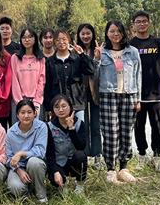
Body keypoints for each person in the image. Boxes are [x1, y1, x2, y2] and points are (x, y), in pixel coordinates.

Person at [95, 20, 142, 184]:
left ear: (123, 33)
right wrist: (96, 59)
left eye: (118, 31)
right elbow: (94, 75)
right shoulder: (102, 52)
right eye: (112, 31)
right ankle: (110, 169)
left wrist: (138, 99)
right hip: (108, 96)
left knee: (126, 132)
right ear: (107, 33)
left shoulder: (132, 52)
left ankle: (123, 168)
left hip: (129, 95)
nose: (115, 34)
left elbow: (138, 75)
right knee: (110, 133)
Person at [130, 11, 160, 172]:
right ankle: (142, 155)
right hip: (137, 94)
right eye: (138, 21)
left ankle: (157, 156)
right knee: (139, 127)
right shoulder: (130, 45)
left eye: (144, 21)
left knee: (157, 126)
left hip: (155, 93)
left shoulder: (158, 43)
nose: (142, 24)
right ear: (134, 24)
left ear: (149, 23)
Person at [44, 29, 96, 125]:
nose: (61, 42)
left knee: (79, 131)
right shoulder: (50, 62)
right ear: (54, 42)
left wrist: (82, 54)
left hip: (76, 104)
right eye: (58, 40)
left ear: (69, 40)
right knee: (59, 133)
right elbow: (48, 86)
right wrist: (48, 107)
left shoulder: (77, 59)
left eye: (64, 39)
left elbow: (91, 70)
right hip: (58, 106)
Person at [5, 99, 48, 202]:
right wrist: (18, 170)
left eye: (29, 112)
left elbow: (40, 151)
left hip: (36, 165)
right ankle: (29, 190)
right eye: (22, 112)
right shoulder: (11, 133)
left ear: (35, 113)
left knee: (34, 162)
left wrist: (21, 153)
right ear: (17, 115)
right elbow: (8, 158)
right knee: (15, 187)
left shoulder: (41, 127)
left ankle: (41, 195)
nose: (26, 115)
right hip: (18, 167)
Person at [46, 94, 87, 195]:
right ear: (53, 110)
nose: (60, 110)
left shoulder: (79, 123)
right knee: (56, 180)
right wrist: (55, 171)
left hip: (74, 161)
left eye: (64, 106)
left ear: (70, 107)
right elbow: (49, 153)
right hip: (59, 162)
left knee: (80, 156)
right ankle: (62, 184)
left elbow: (81, 146)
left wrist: (71, 128)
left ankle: (80, 183)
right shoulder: (49, 126)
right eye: (57, 107)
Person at [76, 23, 102, 170]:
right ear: (79, 35)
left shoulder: (98, 50)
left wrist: (98, 58)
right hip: (80, 93)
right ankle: (84, 155)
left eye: (88, 33)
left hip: (96, 92)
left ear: (92, 34)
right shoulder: (75, 51)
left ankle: (98, 155)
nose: (85, 36)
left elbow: (97, 71)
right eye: (83, 34)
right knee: (83, 125)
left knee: (96, 126)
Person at [11, 27, 45, 120]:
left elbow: (41, 81)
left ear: (35, 39)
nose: (27, 40)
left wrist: (36, 102)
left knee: (36, 128)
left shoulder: (40, 58)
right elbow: (14, 80)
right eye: (24, 37)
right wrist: (20, 102)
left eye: (30, 37)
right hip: (18, 101)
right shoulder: (15, 58)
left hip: (36, 101)